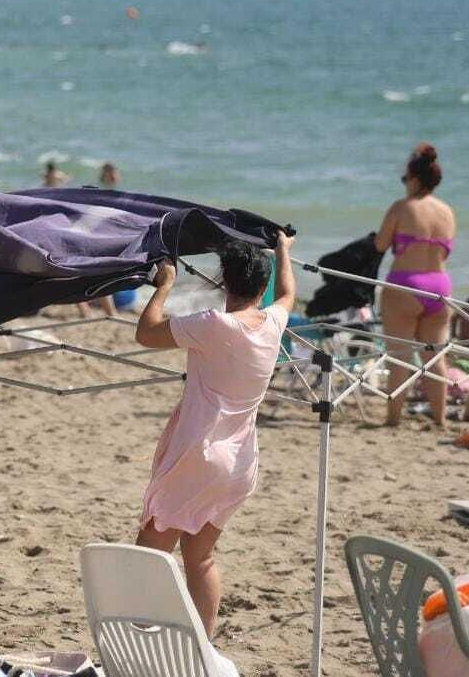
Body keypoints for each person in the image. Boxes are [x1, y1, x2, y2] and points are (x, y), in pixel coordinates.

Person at [134, 232, 295, 638]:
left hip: (198, 455)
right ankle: (203, 648)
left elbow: (146, 332)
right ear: (263, 285)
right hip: (240, 463)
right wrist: (283, 251)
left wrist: (165, 285)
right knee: (200, 558)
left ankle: (135, 640)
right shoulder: (275, 322)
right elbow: (289, 293)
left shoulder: (212, 325)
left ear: (225, 281)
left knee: (147, 558)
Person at [375, 143, 456, 428]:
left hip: (405, 284)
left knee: (400, 356)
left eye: (404, 179)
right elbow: (446, 252)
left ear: (415, 179)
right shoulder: (447, 211)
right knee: (435, 357)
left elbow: (381, 244)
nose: (404, 184)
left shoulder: (402, 207)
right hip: (440, 286)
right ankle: (441, 419)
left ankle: (393, 419)